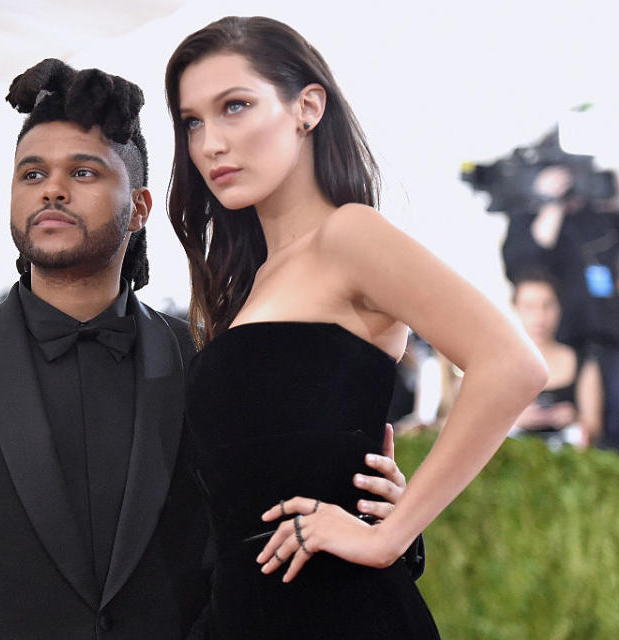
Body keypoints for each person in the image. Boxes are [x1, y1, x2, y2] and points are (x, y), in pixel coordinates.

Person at [0, 59, 416, 639]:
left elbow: (276, 537)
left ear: (138, 209)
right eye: (31, 175)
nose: (53, 189)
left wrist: (385, 521)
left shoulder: (213, 366)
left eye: (83, 173)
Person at [165, 16, 547, 639]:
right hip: (249, 613)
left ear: (307, 107)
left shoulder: (350, 235)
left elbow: (512, 363)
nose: (210, 143)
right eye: (193, 122)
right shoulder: (251, 283)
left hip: (337, 614)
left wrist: (392, 536)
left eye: (235, 106)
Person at [509, 268, 603, 448]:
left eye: (547, 306)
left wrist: (574, 418)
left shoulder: (583, 362)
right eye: (529, 307)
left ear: (559, 307)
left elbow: (594, 428)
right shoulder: (500, 365)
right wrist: (516, 421)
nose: (539, 316)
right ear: (515, 308)